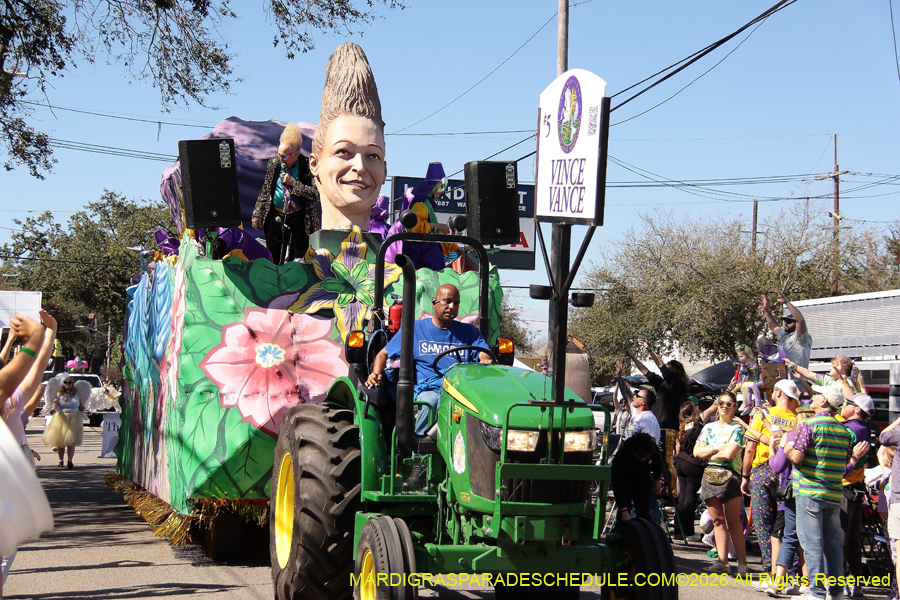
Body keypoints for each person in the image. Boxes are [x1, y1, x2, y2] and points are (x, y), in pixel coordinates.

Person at [366, 283, 491, 436]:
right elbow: (382, 354)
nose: (452, 307)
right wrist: (376, 373)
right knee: (430, 403)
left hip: (458, 391)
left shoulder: (469, 332)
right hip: (428, 389)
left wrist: (485, 359)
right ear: (434, 301)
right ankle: (420, 454)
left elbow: (484, 353)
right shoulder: (415, 329)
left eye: (456, 303)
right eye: (447, 301)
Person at [783, 384, 866, 600]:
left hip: (809, 491)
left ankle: (817, 592)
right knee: (833, 545)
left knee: (811, 544)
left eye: (818, 395)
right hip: (833, 493)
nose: (814, 396)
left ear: (824, 402)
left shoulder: (809, 424)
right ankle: (836, 592)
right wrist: (855, 459)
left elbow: (797, 458)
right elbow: (843, 468)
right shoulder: (844, 431)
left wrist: (787, 448)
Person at [739, 378, 800, 576]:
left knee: (763, 522)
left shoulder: (764, 414)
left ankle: (770, 568)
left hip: (763, 471)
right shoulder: (798, 419)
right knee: (787, 522)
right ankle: (791, 568)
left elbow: (750, 447)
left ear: (779, 393)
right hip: (788, 473)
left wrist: (745, 475)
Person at [694, 391, 749, 575]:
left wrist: (708, 453)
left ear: (734, 408)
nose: (724, 406)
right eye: (721, 403)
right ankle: (723, 561)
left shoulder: (737, 428)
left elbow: (730, 454)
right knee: (717, 521)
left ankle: (742, 563)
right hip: (709, 476)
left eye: (729, 403)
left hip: (730, 476)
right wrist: (716, 448)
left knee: (733, 522)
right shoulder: (708, 428)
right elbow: (696, 452)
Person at [624, 342, 688, 497]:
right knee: (653, 458)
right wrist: (633, 357)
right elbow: (646, 372)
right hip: (657, 426)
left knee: (666, 460)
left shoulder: (677, 384)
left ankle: (671, 493)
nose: (665, 369)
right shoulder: (661, 385)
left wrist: (649, 349)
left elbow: (661, 366)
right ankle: (656, 487)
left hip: (668, 427)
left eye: (668, 367)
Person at [764, 405, 815, 597]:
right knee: (809, 538)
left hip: (794, 491)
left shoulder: (791, 435)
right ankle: (808, 583)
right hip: (816, 490)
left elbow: (776, 467)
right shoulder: (818, 433)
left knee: (789, 536)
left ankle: (777, 583)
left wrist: (771, 449)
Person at [252, 122, 320, 263]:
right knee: (273, 255)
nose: (280, 159)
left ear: (295, 154)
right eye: (279, 155)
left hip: (298, 217)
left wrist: (294, 184)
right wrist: (258, 213)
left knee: (298, 258)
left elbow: (316, 194)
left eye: (284, 156)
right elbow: (266, 189)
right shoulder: (274, 163)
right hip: (276, 215)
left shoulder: (307, 166)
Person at [837, 393, 874, 598]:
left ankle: (840, 582)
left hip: (845, 486)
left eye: (848, 403)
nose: (844, 405)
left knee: (841, 536)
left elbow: (842, 467)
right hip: (857, 487)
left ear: (857, 409)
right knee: (852, 537)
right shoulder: (864, 428)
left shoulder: (848, 430)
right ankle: (856, 583)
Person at [612, 432, 661, 523]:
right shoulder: (622, 457)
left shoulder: (652, 448)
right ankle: (622, 530)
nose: (643, 459)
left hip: (643, 479)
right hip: (626, 480)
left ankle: (645, 531)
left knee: (644, 509)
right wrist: (624, 510)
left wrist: (657, 479)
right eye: (640, 457)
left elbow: (657, 463)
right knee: (625, 510)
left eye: (646, 458)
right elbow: (619, 485)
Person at [674, 401, 705, 541]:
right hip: (693, 463)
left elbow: (678, 448)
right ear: (692, 412)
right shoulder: (697, 426)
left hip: (681, 462)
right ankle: (688, 532)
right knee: (690, 498)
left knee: (682, 497)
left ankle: (678, 529)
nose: (699, 409)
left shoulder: (682, 426)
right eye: (696, 407)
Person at [760, 291, 813, 371]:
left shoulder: (801, 338)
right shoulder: (784, 335)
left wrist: (786, 302)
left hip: (798, 380)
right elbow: (774, 327)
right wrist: (767, 311)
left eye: (789, 322)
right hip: (785, 378)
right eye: (785, 321)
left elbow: (800, 320)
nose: (785, 323)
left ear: (796, 324)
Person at [42, 375, 85, 468]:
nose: (67, 384)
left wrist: (86, 410)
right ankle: (60, 460)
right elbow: (55, 402)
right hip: (61, 417)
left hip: (74, 418)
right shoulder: (59, 393)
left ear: (72, 384)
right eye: (65, 383)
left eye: (69, 383)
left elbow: (81, 406)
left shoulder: (78, 394)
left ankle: (70, 460)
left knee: (71, 441)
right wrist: (52, 409)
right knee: (60, 441)